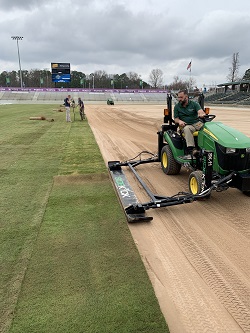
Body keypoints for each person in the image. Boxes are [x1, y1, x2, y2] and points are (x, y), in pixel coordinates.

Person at [174, 89, 205, 157]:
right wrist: (179, 121)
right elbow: (176, 119)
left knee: (206, 128)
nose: (179, 99)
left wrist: (201, 114)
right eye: (178, 97)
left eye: (181, 97)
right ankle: (191, 150)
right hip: (186, 125)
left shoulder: (194, 104)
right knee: (187, 129)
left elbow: (200, 111)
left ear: (186, 97)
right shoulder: (177, 107)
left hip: (196, 123)